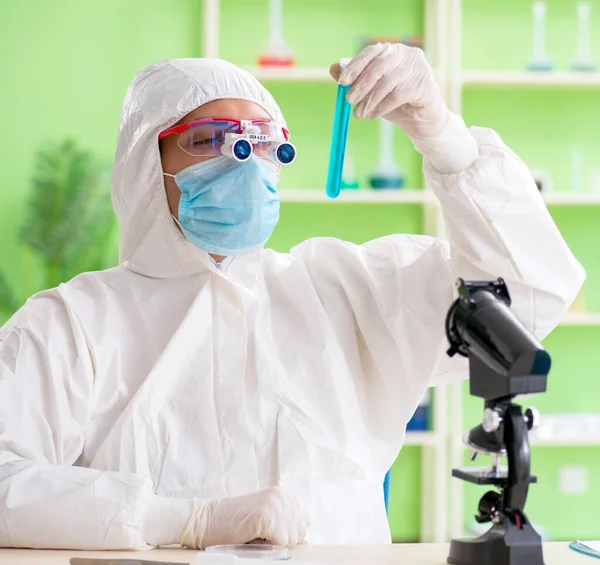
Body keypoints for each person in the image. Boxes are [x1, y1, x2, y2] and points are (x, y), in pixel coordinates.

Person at [0, 43, 584, 550]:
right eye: (209, 140)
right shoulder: (72, 325)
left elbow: (528, 298)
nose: (245, 163)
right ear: (144, 164)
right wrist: (184, 519)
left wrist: (445, 138)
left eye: (263, 143)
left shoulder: (344, 289)